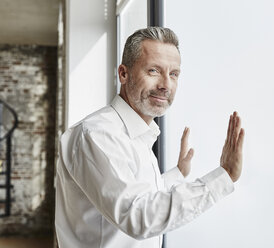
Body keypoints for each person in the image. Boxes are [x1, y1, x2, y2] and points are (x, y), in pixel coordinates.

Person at [55, 27, 245, 248]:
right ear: (123, 74)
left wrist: (178, 173)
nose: (165, 85)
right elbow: (137, 216)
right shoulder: (99, 134)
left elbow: (137, 193)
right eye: (154, 71)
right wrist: (224, 176)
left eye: (174, 74)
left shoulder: (136, 135)